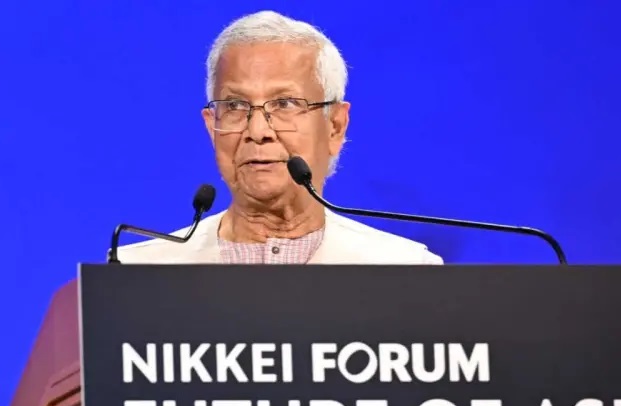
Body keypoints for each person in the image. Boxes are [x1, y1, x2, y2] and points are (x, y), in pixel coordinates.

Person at [118, 11, 443, 265]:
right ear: (212, 127)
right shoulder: (138, 275)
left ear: (335, 126)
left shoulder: (404, 271)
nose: (257, 131)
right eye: (235, 106)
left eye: (285, 104)